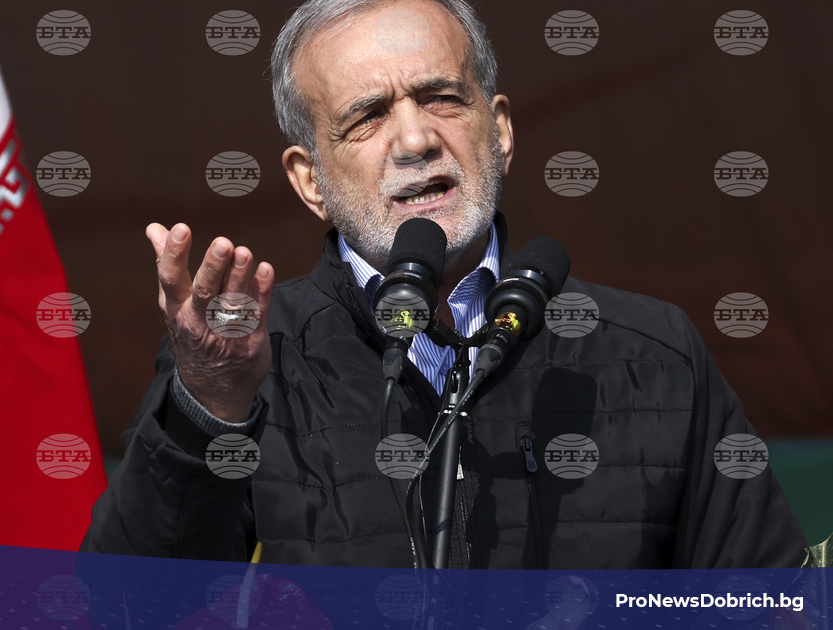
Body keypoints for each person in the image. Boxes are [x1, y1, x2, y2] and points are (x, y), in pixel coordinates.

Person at [80, 0, 806, 568]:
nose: (416, 139)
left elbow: (764, 603)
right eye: (368, 116)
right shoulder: (241, 364)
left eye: (441, 98)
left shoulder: (654, 354)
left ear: (501, 131)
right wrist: (208, 411)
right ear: (310, 182)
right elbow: (129, 607)